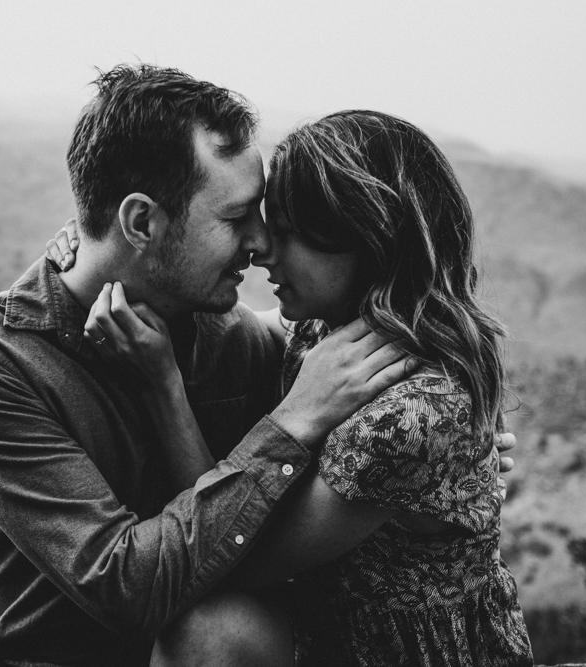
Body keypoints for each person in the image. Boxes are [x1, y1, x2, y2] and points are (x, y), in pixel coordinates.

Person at [0, 65, 418, 667]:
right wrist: (290, 425)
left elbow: (355, 393)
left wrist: (441, 446)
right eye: (235, 219)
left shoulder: (227, 331)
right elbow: (124, 589)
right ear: (140, 222)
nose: (260, 242)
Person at [60, 111, 532, 665]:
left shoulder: (412, 410)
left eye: (287, 232)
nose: (262, 248)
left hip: (398, 652)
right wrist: (102, 252)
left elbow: (232, 557)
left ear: (366, 241)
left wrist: (163, 388)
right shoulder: (326, 330)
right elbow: (242, 326)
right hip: (325, 627)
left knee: (204, 630)